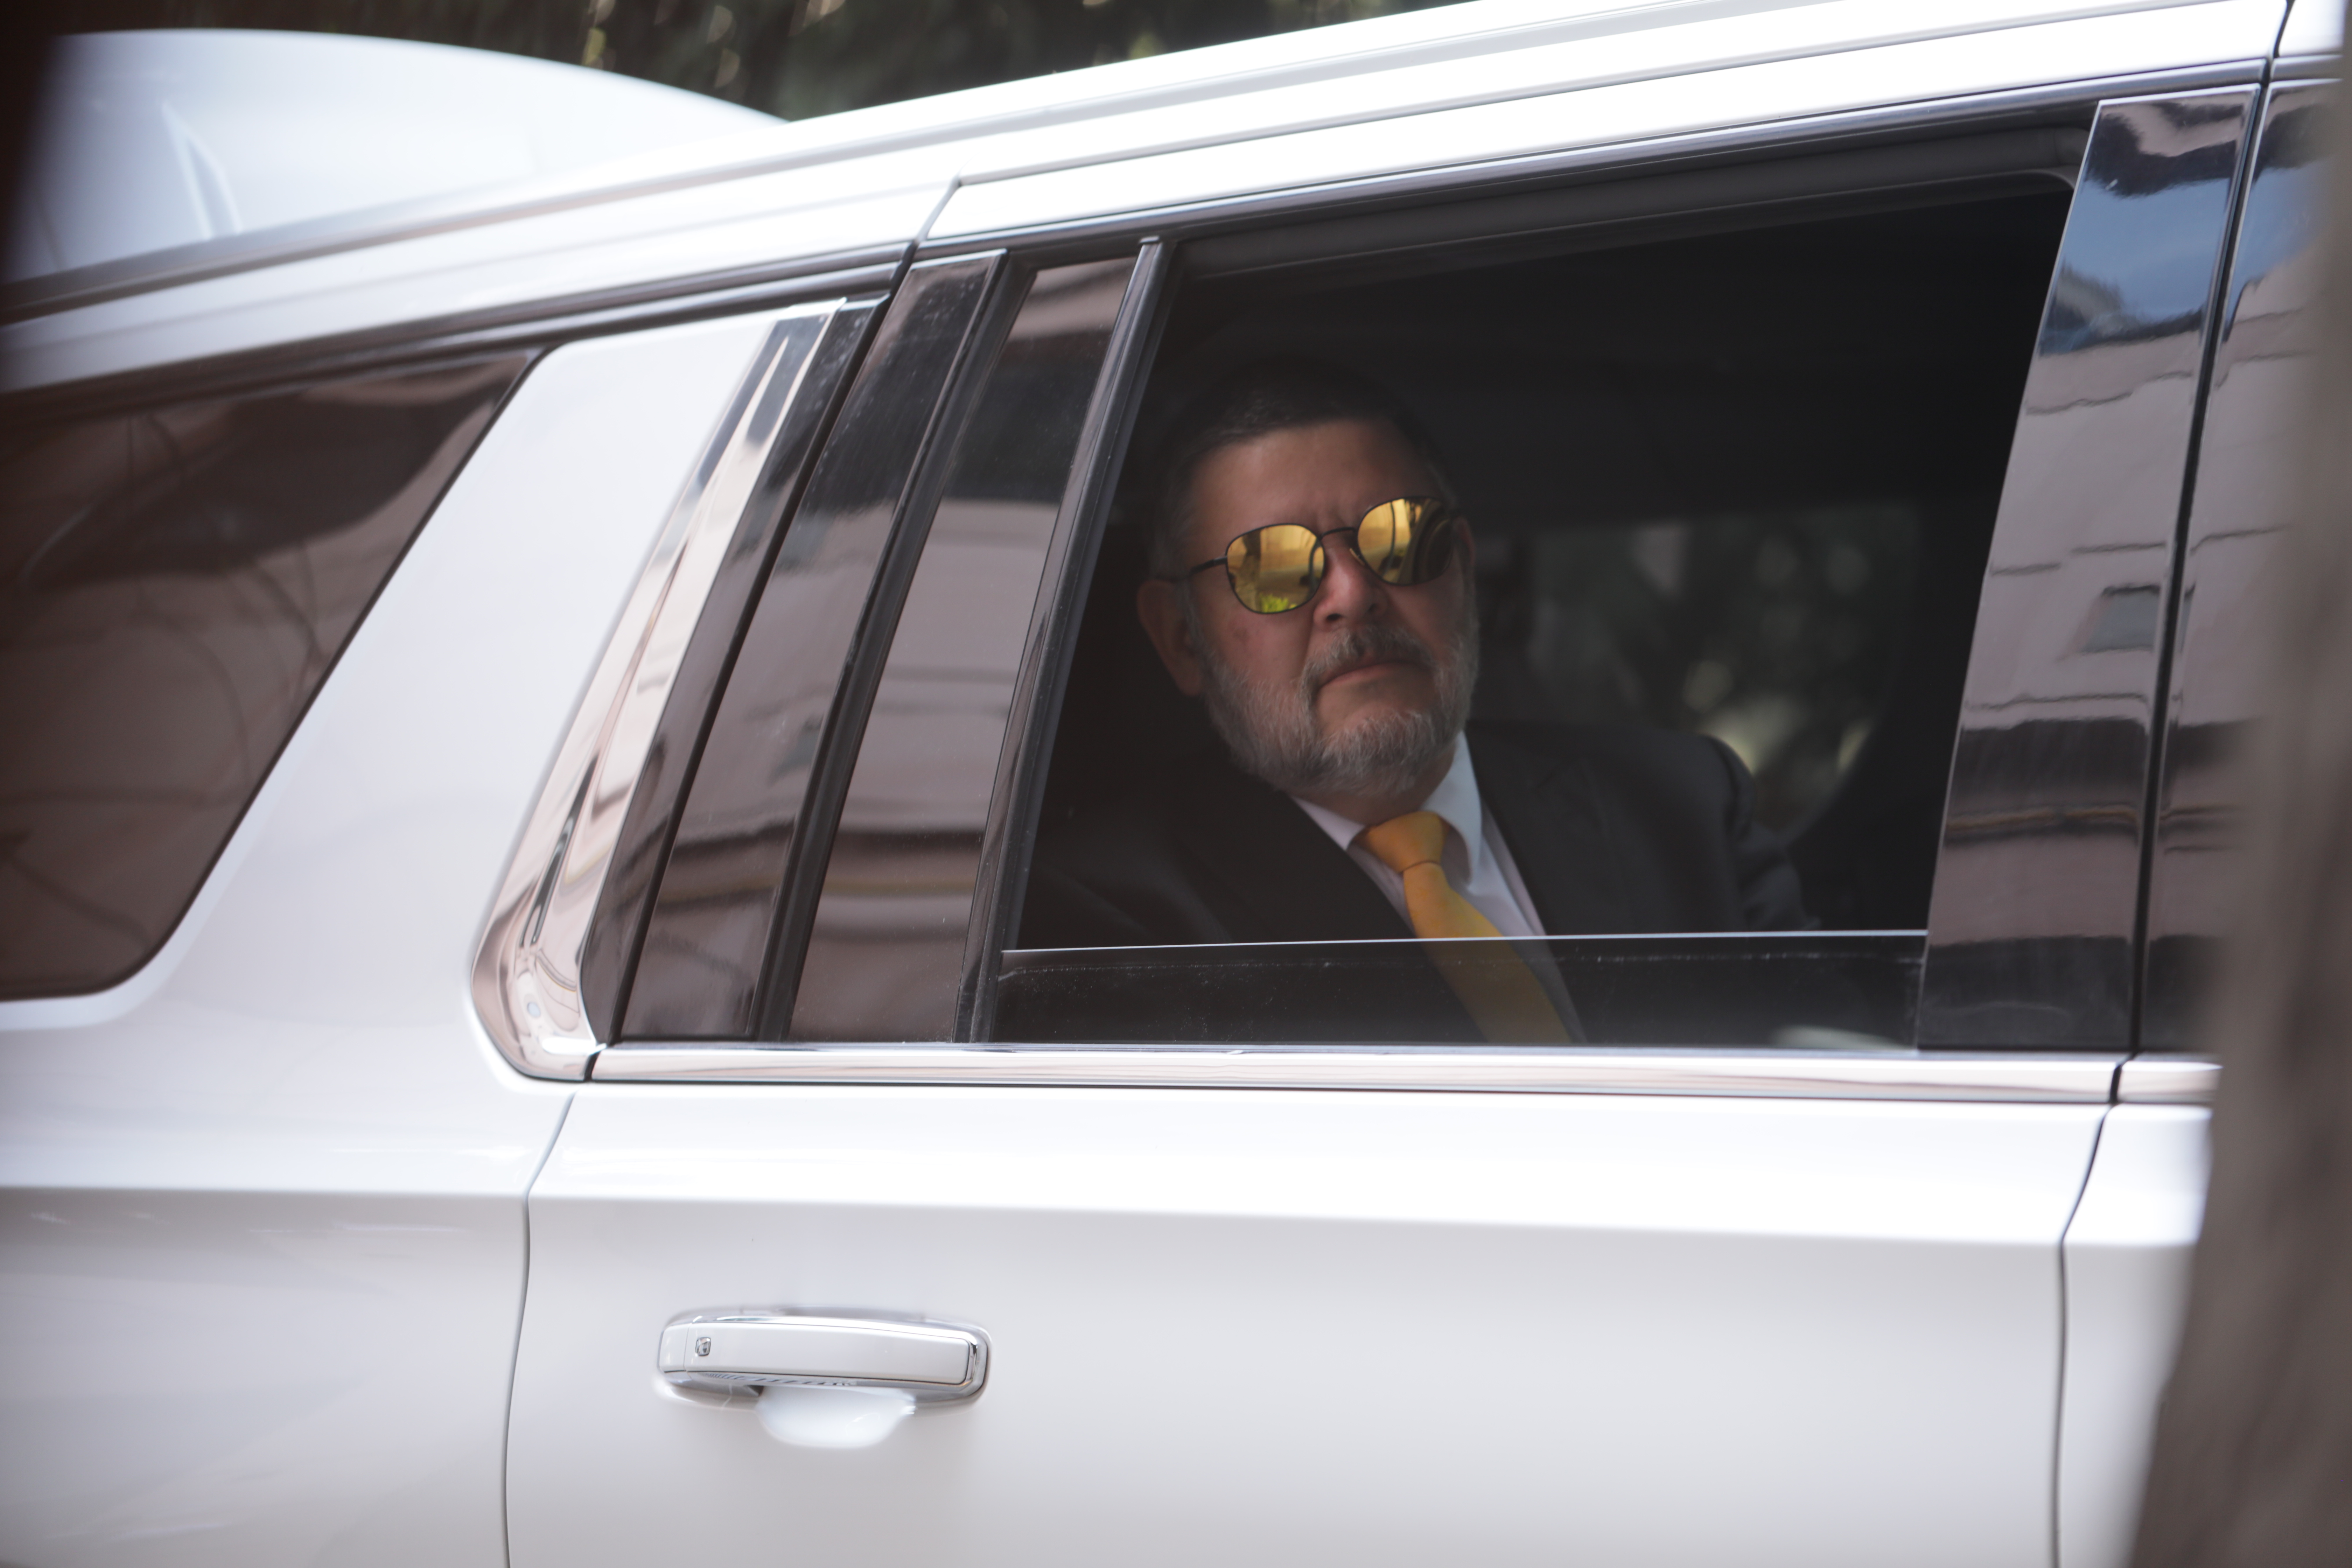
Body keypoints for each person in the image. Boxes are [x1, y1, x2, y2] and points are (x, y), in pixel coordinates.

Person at [1018, 359, 1807, 1037]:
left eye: (1402, 537)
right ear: (1183, 639)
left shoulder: (1683, 804)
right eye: (1273, 565)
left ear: (1460, 570)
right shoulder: (1106, 924)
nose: (1354, 595)